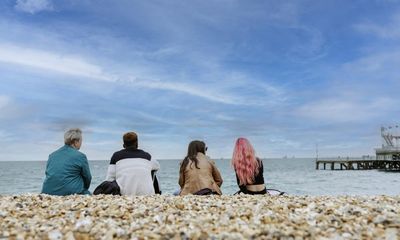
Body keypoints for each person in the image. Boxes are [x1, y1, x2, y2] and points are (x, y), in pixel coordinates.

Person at [42, 128, 92, 195]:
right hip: (70, 192)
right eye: (81, 141)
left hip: (47, 191)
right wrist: (84, 189)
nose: (81, 143)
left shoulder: (52, 155)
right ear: (76, 141)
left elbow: (50, 174)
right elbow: (88, 177)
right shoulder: (81, 156)